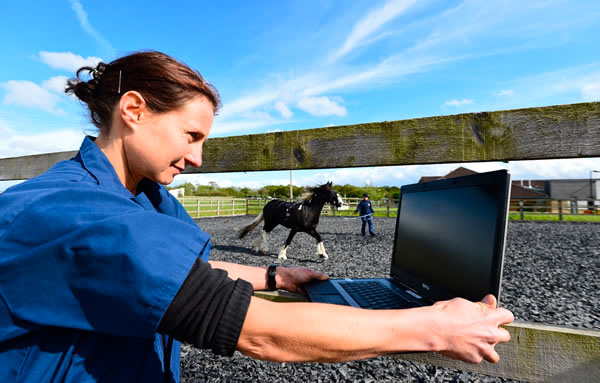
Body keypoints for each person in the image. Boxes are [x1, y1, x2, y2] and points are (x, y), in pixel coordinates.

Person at [0, 51, 514, 382]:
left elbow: (186, 278)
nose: (198, 158)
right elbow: (258, 331)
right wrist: (433, 328)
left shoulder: (147, 200)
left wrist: (273, 274)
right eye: (191, 136)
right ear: (133, 110)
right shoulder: (75, 214)